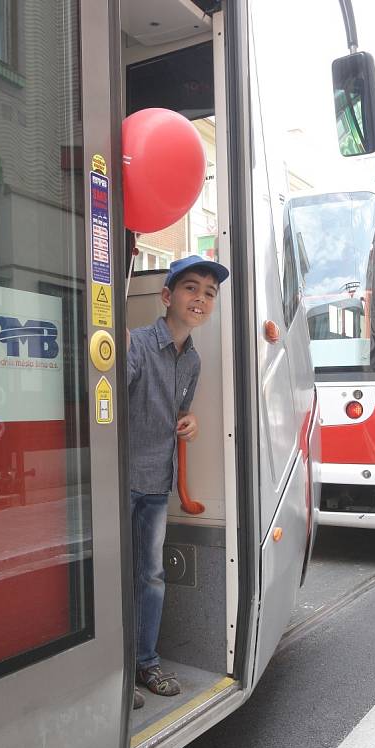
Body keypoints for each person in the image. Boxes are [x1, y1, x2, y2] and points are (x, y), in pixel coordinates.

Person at [127, 254, 229, 710]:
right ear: (167, 296)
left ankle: (145, 662)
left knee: (151, 575)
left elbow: (180, 412)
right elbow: (103, 409)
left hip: (156, 484)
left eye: (209, 293)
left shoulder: (193, 361)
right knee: (115, 578)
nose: (201, 298)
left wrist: (188, 422)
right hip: (120, 483)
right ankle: (114, 671)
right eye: (191, 288)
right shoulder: (135, 345)